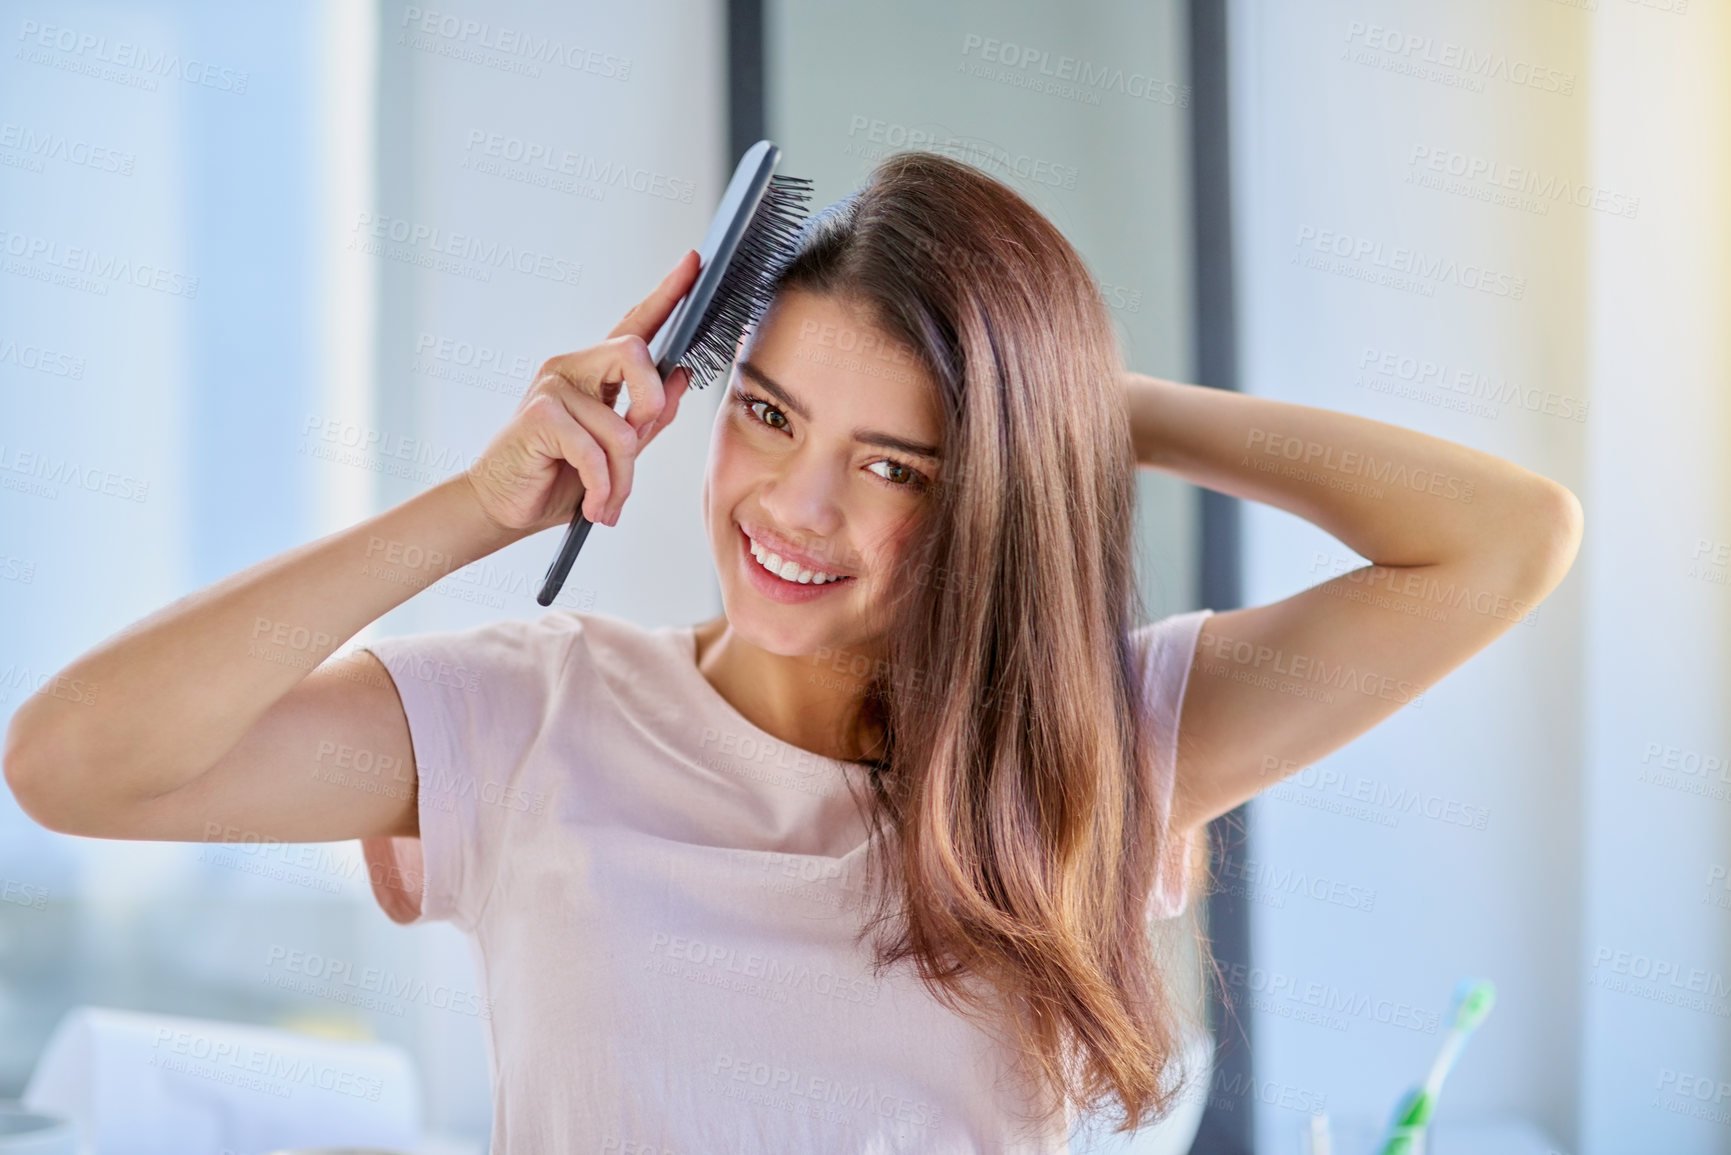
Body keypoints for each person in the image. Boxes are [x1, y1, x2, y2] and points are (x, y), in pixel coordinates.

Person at [3, 151, 1582, 1153]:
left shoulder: (1096, 742)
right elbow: (72, 763)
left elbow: (1505, 539)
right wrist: (479, 508)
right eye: (769, 416)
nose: (798, 507)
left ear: (988, 500)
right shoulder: (524, 721)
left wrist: (1073, 403)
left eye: (900, 464)